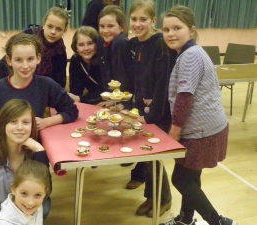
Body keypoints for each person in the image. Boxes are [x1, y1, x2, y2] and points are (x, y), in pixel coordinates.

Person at [161, 5, 237, 225]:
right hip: (209, 126)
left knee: (181, 179)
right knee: (191, 177)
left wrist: (174, 133)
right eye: (166, 29)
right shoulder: (190, 53)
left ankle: (219, 221)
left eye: (177, 28)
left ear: (191, 31)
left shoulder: (190, 56)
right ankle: (186, 219)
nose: (171, 34)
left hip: (201, 131)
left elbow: (184, 98)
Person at [0, 33, 78, 140]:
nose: (25, 66)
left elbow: (71, 110)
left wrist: (45, 122)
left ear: (38, 58)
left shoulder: (46, 85)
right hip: (2, 149)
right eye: (18, 60)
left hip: (32, 149)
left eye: (30, 59)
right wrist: (12, 133)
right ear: (9, 60)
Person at [126, 0, 176, 218]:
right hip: (143, 110)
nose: (138, 24)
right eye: (134, 19)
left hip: (159, 112)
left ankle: (164, 199)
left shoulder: (160, 45)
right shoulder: (137, 43)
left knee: (152, 155)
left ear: (153, 21)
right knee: (146, 156)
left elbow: (162, 84)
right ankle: (151, 196)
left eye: (143, 19)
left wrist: (153, 115)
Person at [0, 99, 51, 225]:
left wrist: (40, 151)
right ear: (3, 124)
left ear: (32, 125)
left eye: (25, 122)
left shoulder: (34, 153)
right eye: (13, 122)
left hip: (23, 214)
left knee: (45, 205)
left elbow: (46, 189)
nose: (20, 128)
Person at [0, 6, 69, 88]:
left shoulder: (61, 52)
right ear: (44, 24)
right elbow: (1, 68)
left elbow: (59, 84)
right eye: (50, 26)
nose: (53, 32)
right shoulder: (28, 35)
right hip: (14, 87)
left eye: (58, 29)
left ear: (65, 30)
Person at [0, 160, 52, 225]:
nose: (30, 203)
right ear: (13, 189)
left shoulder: (37, 206)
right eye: (24, 193)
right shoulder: (4, 222)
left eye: (38, 195)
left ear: (45, 193)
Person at [96, 5, 132, 104]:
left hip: (124, 99)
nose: (105, 31)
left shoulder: (120, 43)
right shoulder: (100, 40)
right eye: (102, 26)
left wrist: (114, 101)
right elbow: (105, 74)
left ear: (122, 27)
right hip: (111, 96)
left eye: (110, 26)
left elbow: (123, 79)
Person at [68, 26, 104, 104]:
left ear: (97, 44)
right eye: (81, 45)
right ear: (76, 47)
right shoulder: (75, 60)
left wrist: (80, 99)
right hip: (89, 101)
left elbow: (105, 92)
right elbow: (75, 90)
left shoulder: (103, 60)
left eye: (90, 43)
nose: (86, 48)